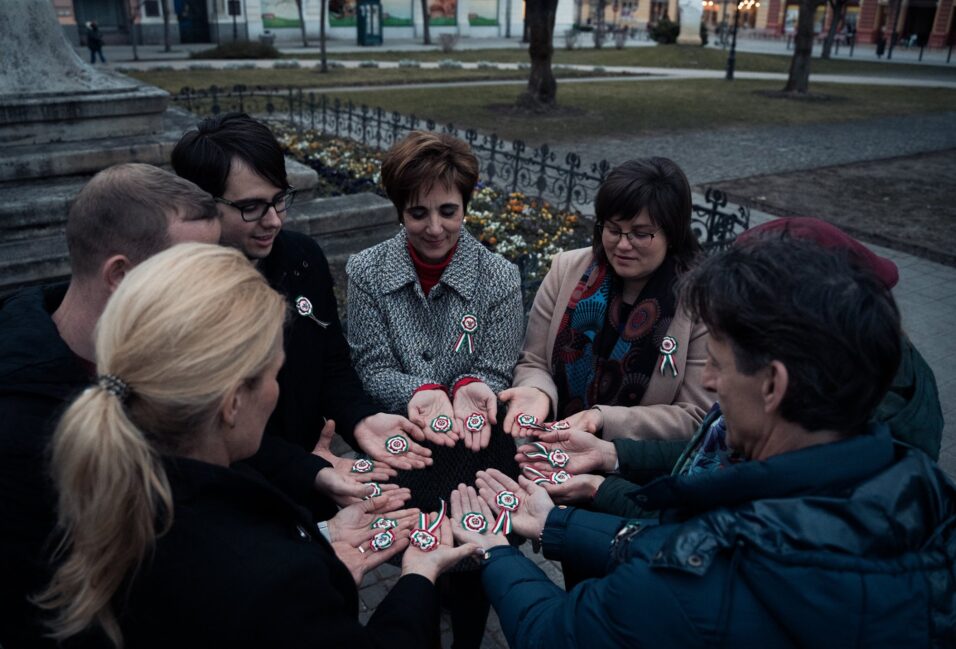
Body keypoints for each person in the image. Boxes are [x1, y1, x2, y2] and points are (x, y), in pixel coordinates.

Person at [452, 238, 956, 648]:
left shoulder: (690, 581)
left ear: (772, 385)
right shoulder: (920, 489)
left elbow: (555, 635)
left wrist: (496, 550)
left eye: (717, 362)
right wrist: (555, 522)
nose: (708, 381)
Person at [35, 244, 481, 648]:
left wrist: (317, 538)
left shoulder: (105, 489)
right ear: (231, 402)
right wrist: (419, 578)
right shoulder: (268, 579)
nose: (275, 393)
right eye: (273, 374)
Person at [517, 217, 946, 516]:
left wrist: (589, 498)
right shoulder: (843, 402)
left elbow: (702, 531)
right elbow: (710, 452)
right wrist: (613, 456)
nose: (710, 381)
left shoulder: (824, 460)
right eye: (612, 228)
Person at [0, 164, 221, 647]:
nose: (210, 296)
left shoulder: (156, 355)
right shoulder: (17, 430)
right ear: (121, 275)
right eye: (190, 274)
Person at [172, 113, 432, 471]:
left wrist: (361, 420)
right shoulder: (176, 296)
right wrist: (306, 472)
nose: (274, 220)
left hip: (320, 471)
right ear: (200, 203)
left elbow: (331, 364)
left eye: (279, 199)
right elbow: (208, 433)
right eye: (251, 207)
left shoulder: (301, 257)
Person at [346, 130, 525, 648]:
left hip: (478, 451)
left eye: (448, 210)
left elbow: (496, 369)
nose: (434, 227)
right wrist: (422, 390)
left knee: (475, 569)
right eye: (417, 212)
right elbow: (372, 366)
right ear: (399, 209)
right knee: (417, 571)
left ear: (466, 206)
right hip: (408, 447)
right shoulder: (367, 270)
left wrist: (472, 384)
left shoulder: (498, 276)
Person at [502, 157, 712, 444]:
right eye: (613, 230)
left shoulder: (700, 300)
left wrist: (601, 420)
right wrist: (537, 393)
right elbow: (534, 361)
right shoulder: (567, 270)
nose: (623, 245)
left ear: (673, 234)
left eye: (641, 234)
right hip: (546, 447)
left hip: (632, 471)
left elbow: (697, 416)